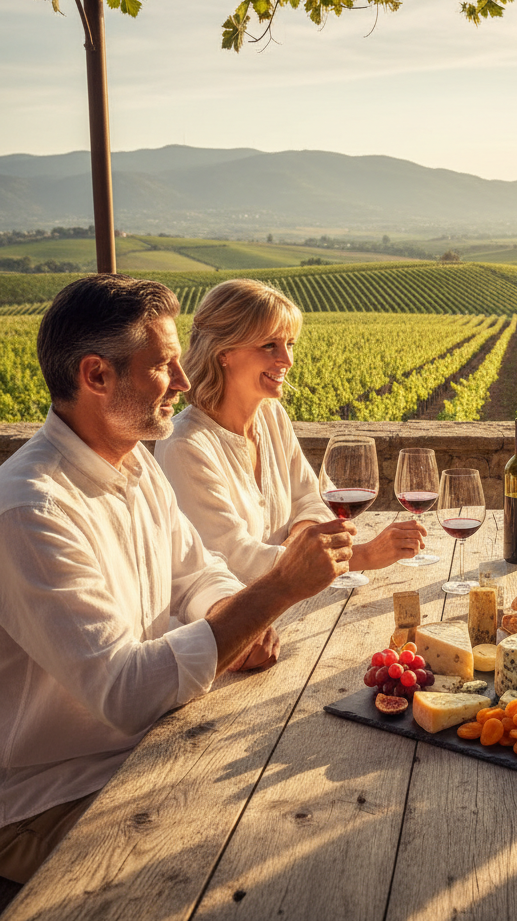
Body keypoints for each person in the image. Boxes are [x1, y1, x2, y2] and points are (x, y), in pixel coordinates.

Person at [0, 275, 354, 885]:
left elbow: (196, 576)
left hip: (146, 748)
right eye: (163, 365)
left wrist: (235, 620)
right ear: (96, 376)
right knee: (269, 848)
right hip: (54, 798)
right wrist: (275, 593)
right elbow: (126, 691)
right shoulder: (30, 511)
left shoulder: (133, 457)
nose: (185, 382)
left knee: (312, 791)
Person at [155, 279, 424, 583]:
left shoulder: (270, 415)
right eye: (269, 345)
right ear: (223, 353)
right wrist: (363, 556)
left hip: (290, 600)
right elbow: (235, 561)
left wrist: (297, 543)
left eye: (290, 344)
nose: (287, 359)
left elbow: (311, 497)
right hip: (229, 622)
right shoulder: (186, 446)